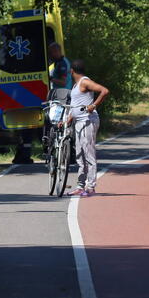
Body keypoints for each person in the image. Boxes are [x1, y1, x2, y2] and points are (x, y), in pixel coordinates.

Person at [65, 59, 109, 197]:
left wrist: (93, 105)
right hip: (78, 122)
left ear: (72, 70)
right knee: (79, 155)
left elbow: (104, 91)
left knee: (88, 154)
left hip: (88, 121)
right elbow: (75, 105)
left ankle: (90, 187)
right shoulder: (76, 85)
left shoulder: (84, 82)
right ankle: (80, 185)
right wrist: (69, 119)